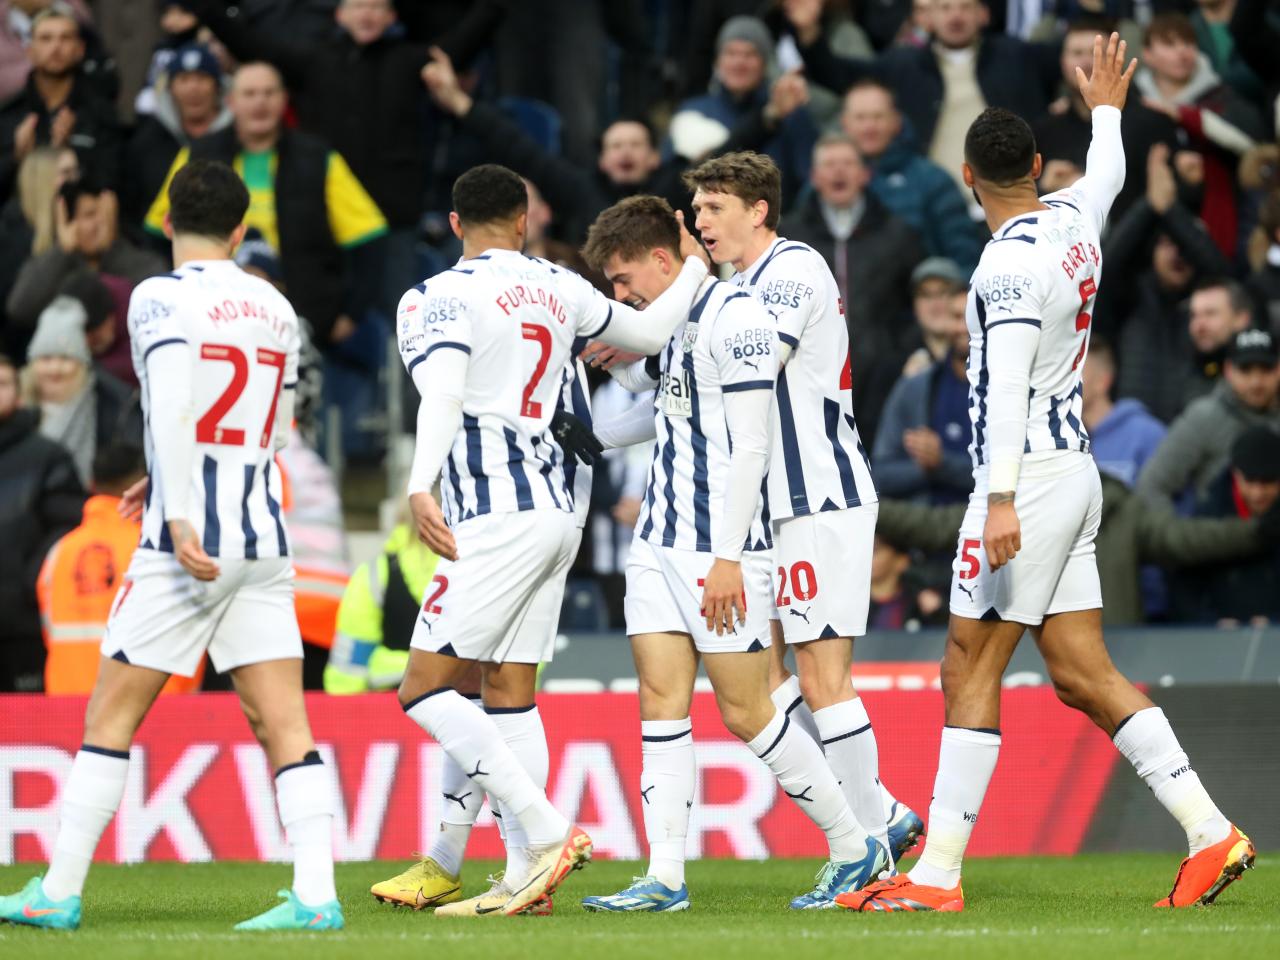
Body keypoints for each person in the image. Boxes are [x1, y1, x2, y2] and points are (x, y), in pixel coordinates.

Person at [839, 35, 1254, 913]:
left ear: (964, 177)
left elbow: (1004, 393)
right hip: (1074, 474)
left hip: (1023, 481)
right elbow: (1108, 168)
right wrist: (1107, 108)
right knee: (1078, 669)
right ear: (1034, 163)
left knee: (967, 664)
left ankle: (938, 876)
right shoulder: (1071, 219)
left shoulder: (1005, 266)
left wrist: (994, 501)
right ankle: (1211, 832)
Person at [0, 159, 344, 931]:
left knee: (109, 720)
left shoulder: (158, 295)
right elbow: (275, 427)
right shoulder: (275, 307)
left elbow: (174, 405)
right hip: (261, 534)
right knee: (285, 724)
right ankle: (318, 897)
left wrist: (177, 507)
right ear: (242, 229)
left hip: (187, 543)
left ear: (164, 224)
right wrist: (171, 482)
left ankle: (57, 891)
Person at [378, 163, 710, 918]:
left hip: (493, 515)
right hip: (560, 513)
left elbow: (445, 392)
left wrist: (418, 481)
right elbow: (653, 330)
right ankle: (525, 875)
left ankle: (546, 829)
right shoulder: (560, 285)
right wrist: (693, 267)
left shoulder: (434, 297)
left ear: (455, 225)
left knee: (426, 687)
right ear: (523, 221)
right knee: (509, 693)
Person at [574, 196, 887, 913]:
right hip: (655, 542)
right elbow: (668, 412)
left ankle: (855, 844)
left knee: (748, 712)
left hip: (723, 551)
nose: (620, 299)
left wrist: (727, 558)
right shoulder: (676, 324)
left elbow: (753, 443)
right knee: (659, 702)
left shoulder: (740, 318)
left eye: (625, 282)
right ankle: (665, 877)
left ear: (662, 261)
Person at [684, 150, 921, 907]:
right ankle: (878, 815)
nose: (700, 220)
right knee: (766, 678)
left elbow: (755, 361)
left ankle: (871, 841)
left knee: (823, 676)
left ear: (758, 210)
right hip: (777, 509)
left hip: (819, 496)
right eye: (696, 208)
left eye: (714, 207)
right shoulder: (739, 285)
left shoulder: (791, 270)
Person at [144, 62, 387, 347]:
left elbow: (370, 238)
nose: (260, 103)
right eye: (250, 94)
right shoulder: (198, 155)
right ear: (231, 102)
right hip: (213, 318)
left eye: (269, 93)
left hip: (301, 321)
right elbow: (158, 230)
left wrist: (350, 315)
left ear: (284, 100)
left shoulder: (318, 158)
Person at [422, 45, 689, 245]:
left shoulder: (676, 188)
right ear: (602, 160)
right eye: (616, 146)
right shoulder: (582, 190)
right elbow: (519, 147)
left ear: (655, 157)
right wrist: (458, 101)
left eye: (635, 144)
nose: (626, 151)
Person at [786, 0, 1058, 193]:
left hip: (1012, 196)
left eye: (966, 7)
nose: (956, 16)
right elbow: (840, 76)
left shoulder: (1017, 56)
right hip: (935, 202)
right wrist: (809, 31)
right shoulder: (905, 65)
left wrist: (1070, 96)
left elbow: (1072, 60)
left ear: (983, 14)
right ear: (926, 17)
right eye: (945, 7)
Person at [37, 442, 203, 695]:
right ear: (141, 483)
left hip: (68, 707)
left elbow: (48, 630)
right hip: (158, 705)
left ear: (92, 483)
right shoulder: (161, 550)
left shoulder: (59, 553)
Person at [782, 133, 924, 358]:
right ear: (814, 177)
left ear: (865, 174)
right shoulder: (790, 236)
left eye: (848, 163)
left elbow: (919, 299)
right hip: (810, 366)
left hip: (882, 370)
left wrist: (905, 352)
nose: (839, 171)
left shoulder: (898, 233)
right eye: (829, 164)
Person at [0, 349, 85, 691]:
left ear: (19, 393)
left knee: (24, 734)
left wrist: (31, 579)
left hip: (23, 625)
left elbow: (68, 526)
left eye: (3, 383)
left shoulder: (47, 455)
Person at [668, 17, 819, 203]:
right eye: (731, 53)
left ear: (765, 63)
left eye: (750, 55)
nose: (739, 62)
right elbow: (674, 184)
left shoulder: (791, 114)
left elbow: (809, 183)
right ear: (717, 62)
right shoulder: (692, 114)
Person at [838, 79, 982, 272]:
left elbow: (965, 254)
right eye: (860, 118)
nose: (869, 126)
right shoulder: (826, 183)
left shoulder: (933, 181)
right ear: (844, 123)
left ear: (896, 121)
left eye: (878, 117)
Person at [1137, 328, 1280, 513]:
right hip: (1217, 537)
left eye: (1265, 369)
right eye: (1246, 370)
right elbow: (1151, 485)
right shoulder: (1204, 417)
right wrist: (1180, 537)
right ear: (1228, 370)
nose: (1256, 381)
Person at [7, 178, 166, 331]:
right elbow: (20, 309)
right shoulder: (53, 265)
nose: (100, 223)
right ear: (68, 222)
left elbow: (156, 305)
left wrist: (112, 250)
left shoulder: (145, 262)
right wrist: (62, 252)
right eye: (90, 215)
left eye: (105, 213)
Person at [0, 5, 120, 201]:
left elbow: (113, 183)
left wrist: (70, 155)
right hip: (14, 226)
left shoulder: (101, 113)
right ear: (30, 51)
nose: (56, 47)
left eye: (65, 38)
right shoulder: (8, 114)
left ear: (80, 49)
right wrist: (17, 157)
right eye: (46, 38)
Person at [20, 294, 136, 487]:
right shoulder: (14, 405)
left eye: (66, 359)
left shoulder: (109, 405)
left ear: (82, 364)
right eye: (46, 358)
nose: (55, 369)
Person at [873, 286, 974, 505]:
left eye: (973, 317)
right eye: (957, 317)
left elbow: (1012, 477)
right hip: (921, 524)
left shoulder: (1006, 390)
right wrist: (925, 467)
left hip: (983, 521)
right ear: (945, 322)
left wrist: (941, 463)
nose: (964, 327)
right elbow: (880, 474)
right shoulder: (915, 388)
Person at [122, 43, 232, 226]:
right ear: (170, 90)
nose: (193, 89)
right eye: (184, 79)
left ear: (218, 87)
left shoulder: (238, 137)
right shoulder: (148, 141)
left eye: (202, 78)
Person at [1185, 425, 1280, 624]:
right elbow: (1186, 591)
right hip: (1220, 646)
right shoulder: (1208, 514)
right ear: (1235, 474)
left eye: (1268, 482)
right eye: (1250, 481)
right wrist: (1210, 625)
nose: (1258, 493)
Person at [1083, 336, 1167, 489]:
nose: (1067, 383)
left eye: (1078, 374)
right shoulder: (1060, 436)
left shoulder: (1147, 434)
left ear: (1102, 382)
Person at [901, 257, 969, 376]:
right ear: (914, 304)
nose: (935, 304)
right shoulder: (893, 364)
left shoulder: (985, 357)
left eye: (943, 293)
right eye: (926, 295)